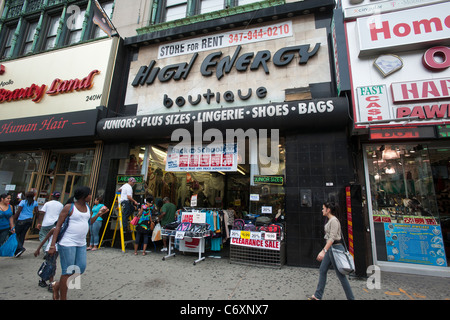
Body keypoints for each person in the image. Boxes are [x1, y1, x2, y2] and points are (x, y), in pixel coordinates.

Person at [47, 186, 108, 300]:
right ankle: (62, 297)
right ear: (83, 196)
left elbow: (89, 222)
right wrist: (52, 245)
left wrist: (99, 213)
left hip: (81, 243)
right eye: (89, 194)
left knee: (80, 268)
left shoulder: (87, 207)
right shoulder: (69, 207)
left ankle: (57, 286)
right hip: (67, 242)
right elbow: (58, 226)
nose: (91, 196)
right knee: (67, 270)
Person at [308, 202, 355, 300]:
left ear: (328, 210)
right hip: (331, 249)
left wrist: (324, 250)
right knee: (322, 270)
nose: (322, 210)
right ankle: (318, 295)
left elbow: (332, 238)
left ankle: (351, 298)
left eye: (323, 208)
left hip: (336, 249)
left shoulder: (334, 220)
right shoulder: (330, 220)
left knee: (341, 275)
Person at [13, 191, 39, 257]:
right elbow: (36, 212)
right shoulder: (35, 202)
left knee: (15, 234)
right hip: (29, 220)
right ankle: (19, 250)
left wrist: (13, 218)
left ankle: (19, 248)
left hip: (21, 219)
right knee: (22, 235)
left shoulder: (23, 202)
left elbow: (19, 211)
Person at [34, 227, 58, 291]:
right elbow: (45, 239)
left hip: (56, 251)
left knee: (49, 265)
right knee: (51, 266)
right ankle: (51, 283)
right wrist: (38, 249)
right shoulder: (54, 229)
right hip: (50, 250)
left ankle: (42, 280)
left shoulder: (65, 229)